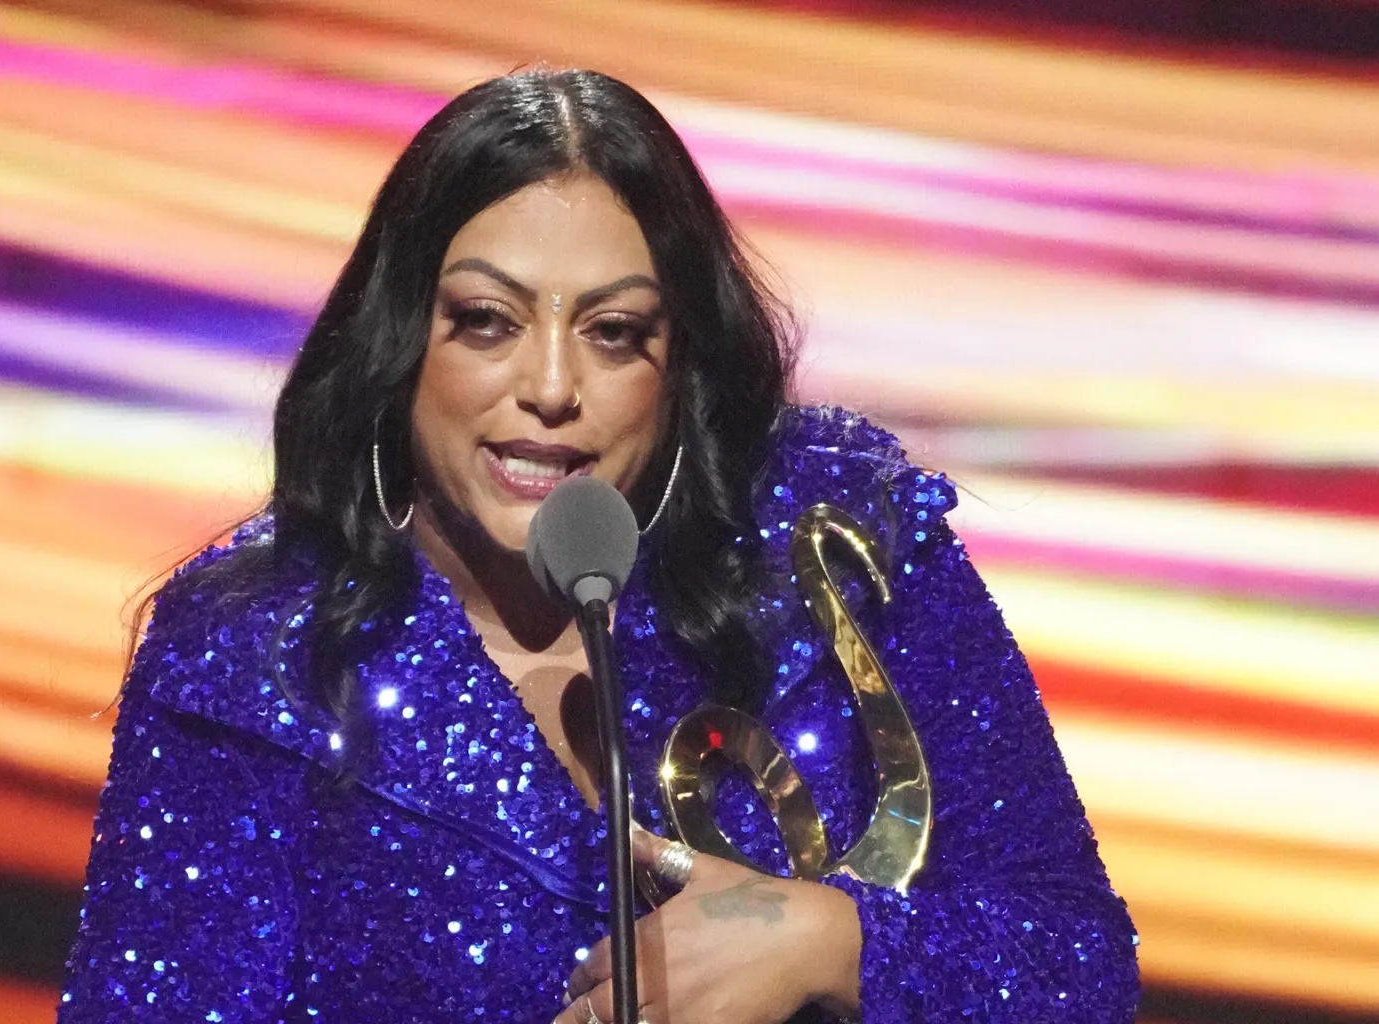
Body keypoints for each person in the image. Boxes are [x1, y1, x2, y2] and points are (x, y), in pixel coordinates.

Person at [56, 68, 1140, 1024]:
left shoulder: (834, 555)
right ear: (398, 340)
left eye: (614, 333)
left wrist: (830, 944)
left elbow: (1078, 967)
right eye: (487, 320)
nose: (551, 387)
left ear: (680, 364)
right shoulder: (255, 661)